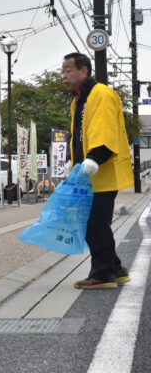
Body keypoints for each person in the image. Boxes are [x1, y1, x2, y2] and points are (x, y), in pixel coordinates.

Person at [61, 52, 133, 290]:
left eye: (68, 70)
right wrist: (74, 159)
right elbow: (80, 135)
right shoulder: (79, 100)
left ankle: (102, 274)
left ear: (84, 70)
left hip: (100, 170)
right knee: (96, 223)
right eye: (62, 71)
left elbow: (105, 130)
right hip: (90, 174)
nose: (64, 76)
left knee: (94, 224)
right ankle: (115, 269)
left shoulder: (100, 93)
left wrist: (94, 158)